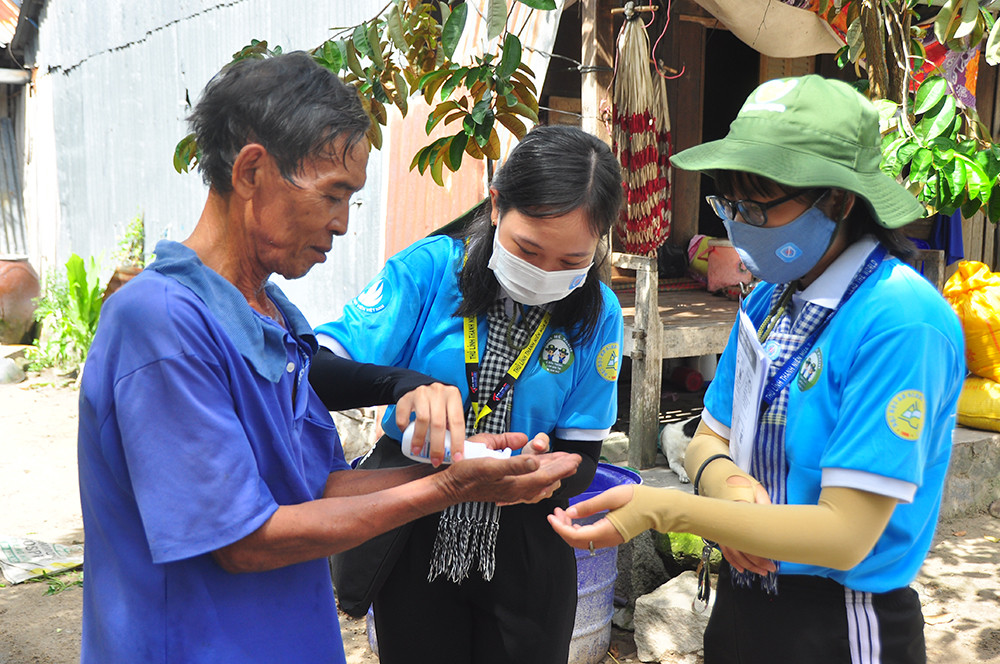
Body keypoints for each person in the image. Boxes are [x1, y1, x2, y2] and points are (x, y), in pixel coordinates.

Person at [76, 52, 581, 664]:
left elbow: (313, 490)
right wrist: (447, 487)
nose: (342, 224)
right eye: (332, 194)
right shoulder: (162, 323)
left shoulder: (273, 318)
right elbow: (246, 541)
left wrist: (471, 478)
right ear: (252, 171)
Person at [548, 75, 966, 663]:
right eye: (731, 205)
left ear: (839, 201)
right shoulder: (773, 298)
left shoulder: (900, 322)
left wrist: (666, 508)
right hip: (744, 602)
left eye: (758, 208)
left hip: (840, 623)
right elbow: (708, 437)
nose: (738, 225)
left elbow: (844, 536)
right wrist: (735, 499)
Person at [313, 124, 625, 664]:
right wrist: (402, 383)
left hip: (528, 543)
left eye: (572, 262)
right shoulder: (431, 271)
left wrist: (536, 473)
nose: (544, 274)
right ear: (497, 205)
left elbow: (584, 458)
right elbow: (314, 368)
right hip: (416, 524)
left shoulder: (599, 314)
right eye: (528, 249)